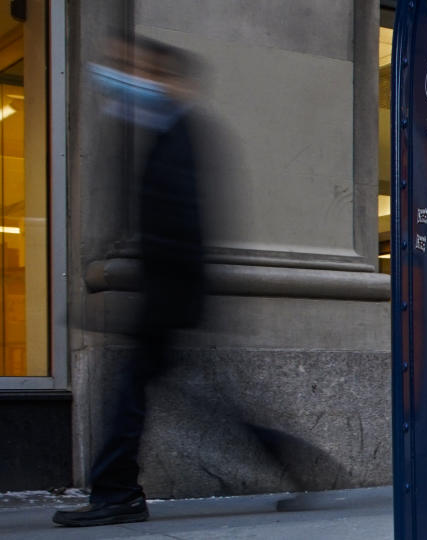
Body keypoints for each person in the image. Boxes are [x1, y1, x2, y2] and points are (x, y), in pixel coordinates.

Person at [52, 34, 205, 527]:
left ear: (168, 80)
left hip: (169, 298)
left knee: (129, 395)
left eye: (140, 70)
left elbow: (183, 224)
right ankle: (287, 459)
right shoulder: (162, 131)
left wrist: (160, 292)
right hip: (166, 297)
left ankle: (117, 493)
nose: (130, 78)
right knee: (202, 402)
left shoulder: (178, 133)